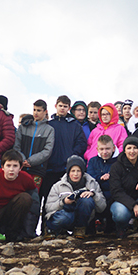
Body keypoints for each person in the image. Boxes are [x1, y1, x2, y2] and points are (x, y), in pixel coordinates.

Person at [43, 96, 88, 232]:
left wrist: (71, 157)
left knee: (67, 198)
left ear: (69, 108)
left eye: (65, 106)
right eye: (60, 105)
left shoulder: (75, 125)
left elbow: (81, 143)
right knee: (48, 198)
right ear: (55, 106)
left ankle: (64, 228)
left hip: (66, 169)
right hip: (50, 168)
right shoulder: (49, 124)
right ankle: (46, 228)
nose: (62, 108)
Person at [13, 99, 55, 236]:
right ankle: (15, 230)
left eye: (39, 110)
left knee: (33, 199)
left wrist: (30, 161)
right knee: (18, 197)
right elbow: (16, 145)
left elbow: (47, 151)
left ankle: (29, 231)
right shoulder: (23, 126)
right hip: (20, 168)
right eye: (34, 110)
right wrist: (22, 160)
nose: (36, 113)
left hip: (37, 170)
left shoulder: (49, 130)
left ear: (45, 112)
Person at [44, 155, 106, 238]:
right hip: (65, 215)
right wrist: (64, 202)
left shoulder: (92, 183)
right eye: (73, 171)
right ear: (68, 172)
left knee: (86, 200)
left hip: (84, 218)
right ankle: (54, 229)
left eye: (78, 171)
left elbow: (102, 207)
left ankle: (80, 229)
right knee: (63, 218)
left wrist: (93, 194)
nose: (75, 174)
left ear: (83, 172)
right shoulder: (58, 186)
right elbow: (48, 208)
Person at [87, 135, 118, 233]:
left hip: (113, 195)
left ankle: (112, 226)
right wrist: (101, 177)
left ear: (113, 148)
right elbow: (90, 178)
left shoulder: (118, 162)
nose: (105, 152)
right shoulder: (93, 161)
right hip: (98, 194)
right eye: (102, 149)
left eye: (108, 149)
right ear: (97, 149)